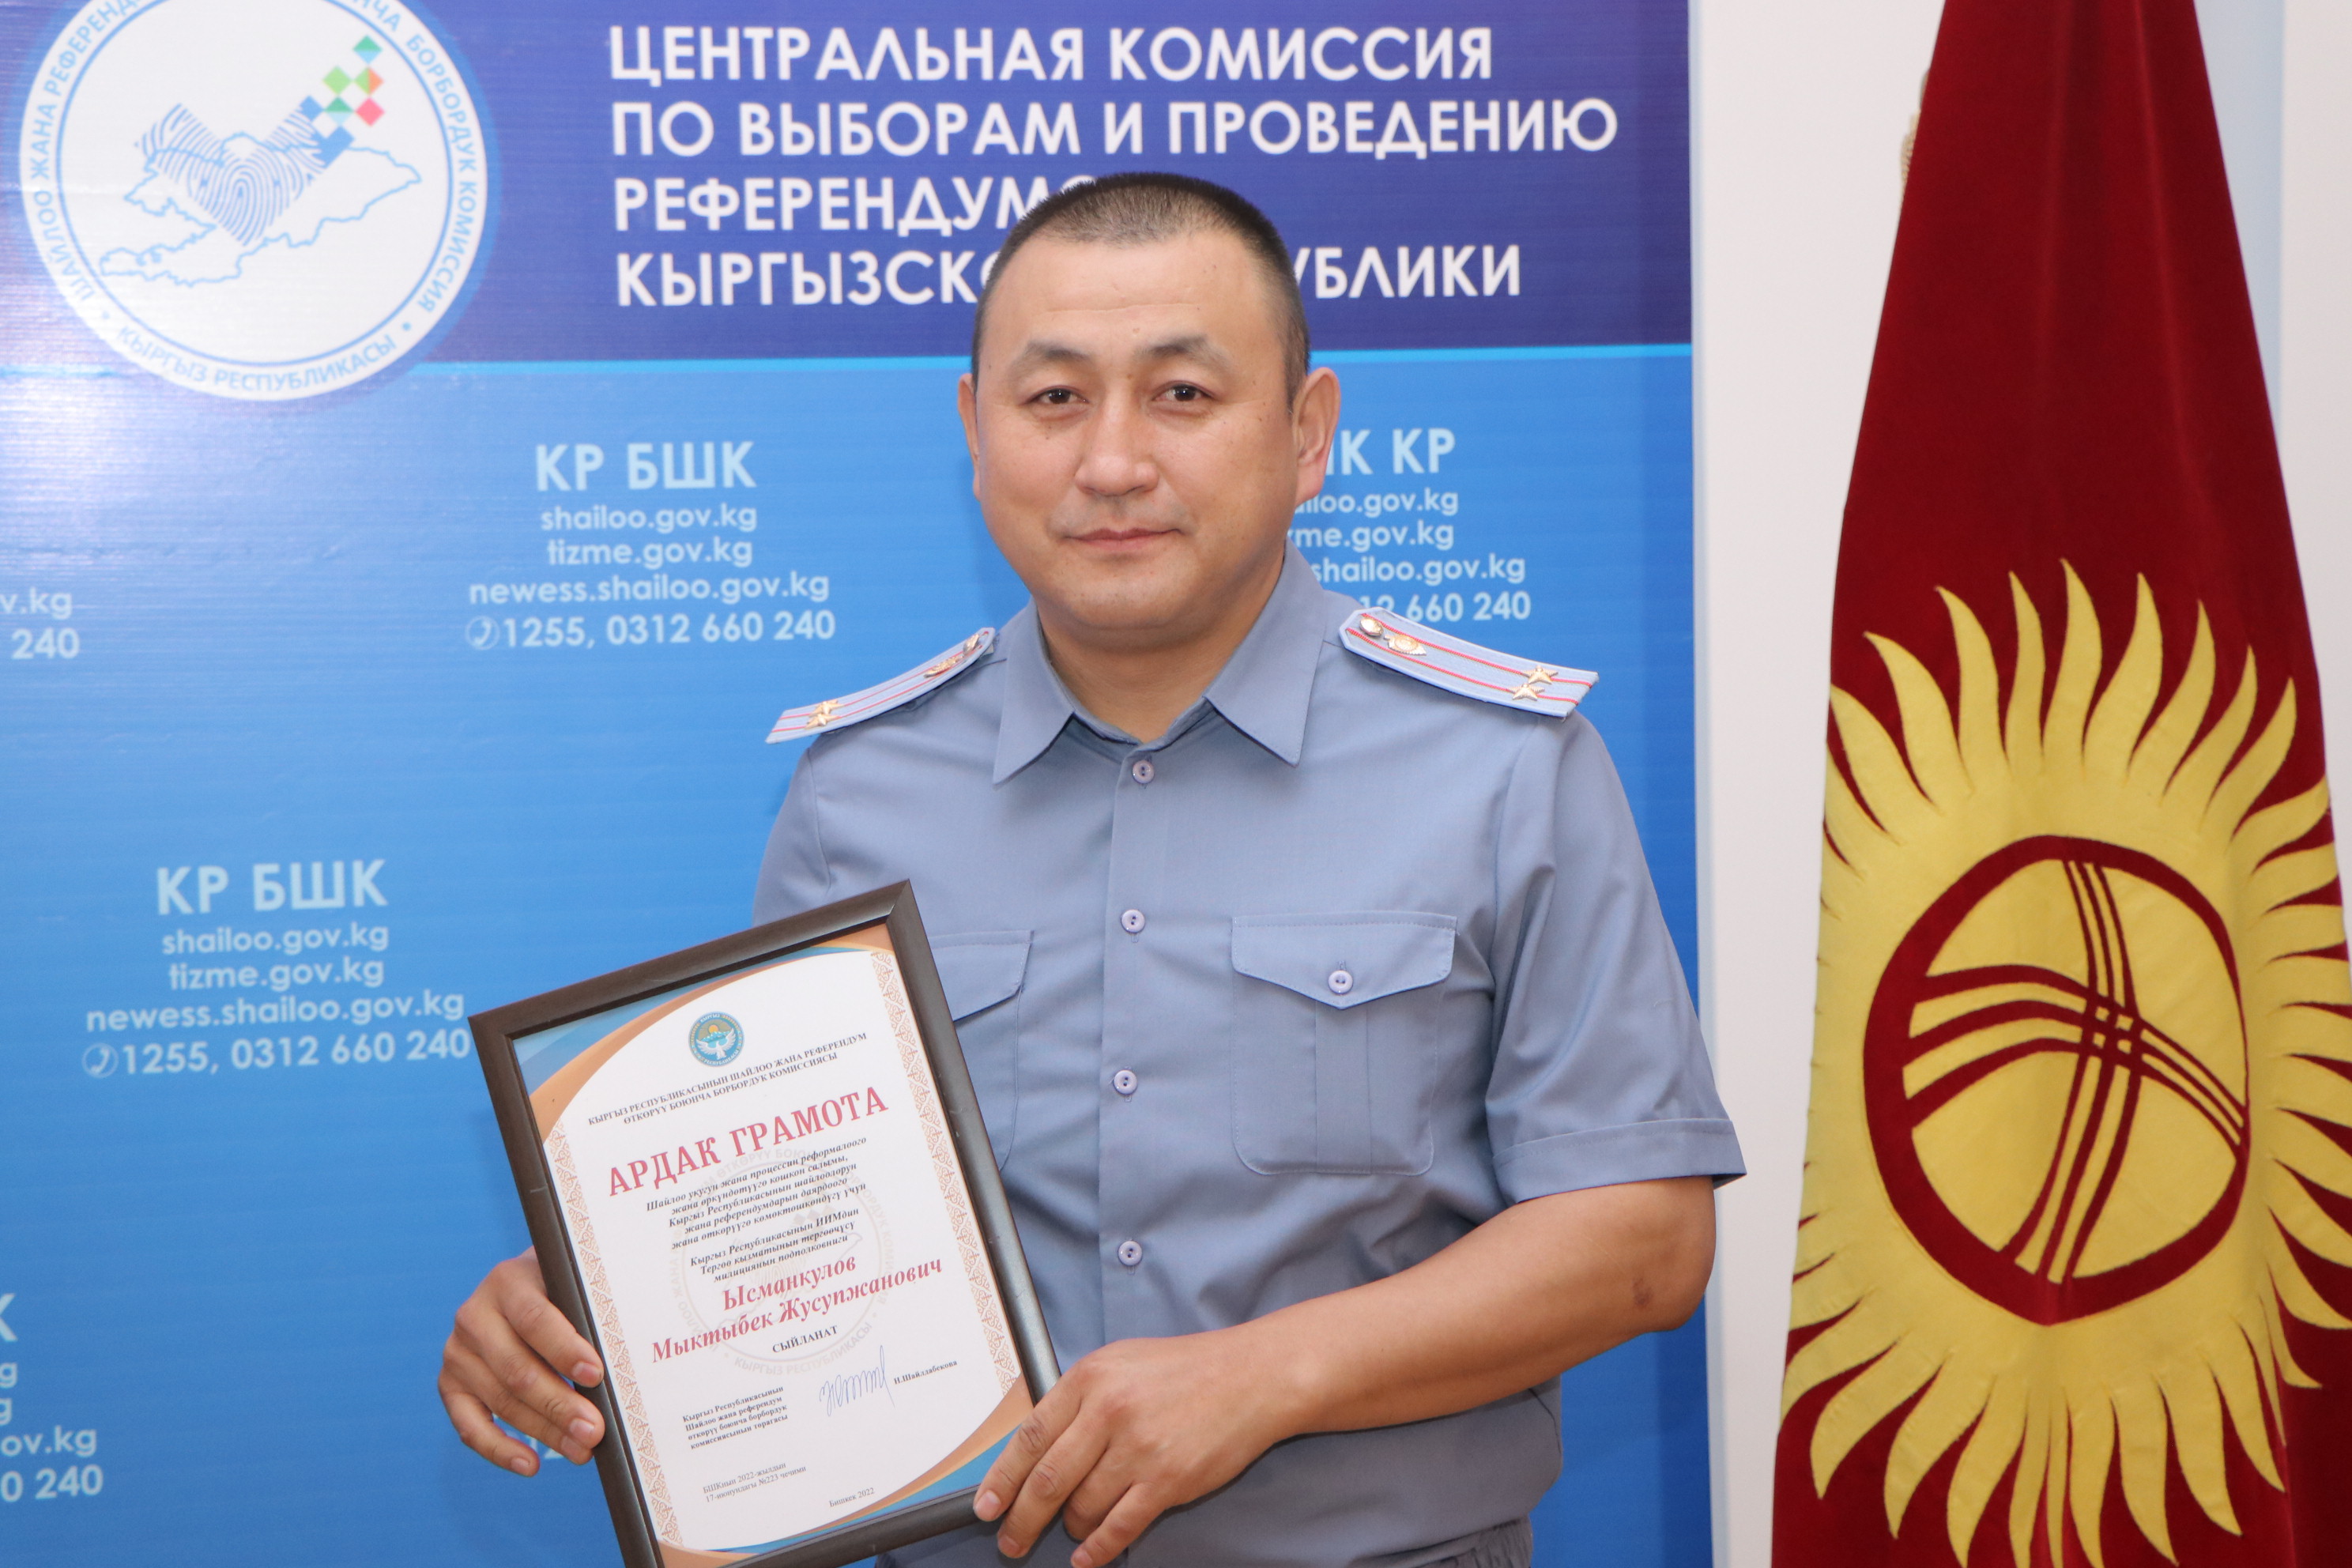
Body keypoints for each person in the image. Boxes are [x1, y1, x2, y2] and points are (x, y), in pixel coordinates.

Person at [439, 172, 1743, 1568]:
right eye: (1055, 399)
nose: (1113, 462)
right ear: (975, 432)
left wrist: (1264, 1378)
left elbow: (1642, 1243)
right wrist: (606, 1301)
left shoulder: (1502, 768)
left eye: (1182, 394)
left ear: (1307, 433)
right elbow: (804, 1223)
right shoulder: (855, 795)